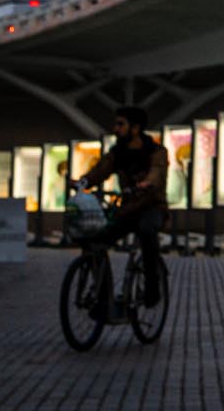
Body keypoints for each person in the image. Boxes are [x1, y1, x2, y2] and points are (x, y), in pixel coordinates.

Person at [73, 103, 171, 322]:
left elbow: (157, 172)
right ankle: (103, 297)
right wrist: (84, 182)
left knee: (147, 232)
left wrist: (146, 183)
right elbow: (101, 171)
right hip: (127, 209)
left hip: (152, 207)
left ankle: (152, 289)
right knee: (96, 239)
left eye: (120, 124)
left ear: (135, 128)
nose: (115, 129)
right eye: (115, 124)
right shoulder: (117, 153)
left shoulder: (156, 151)